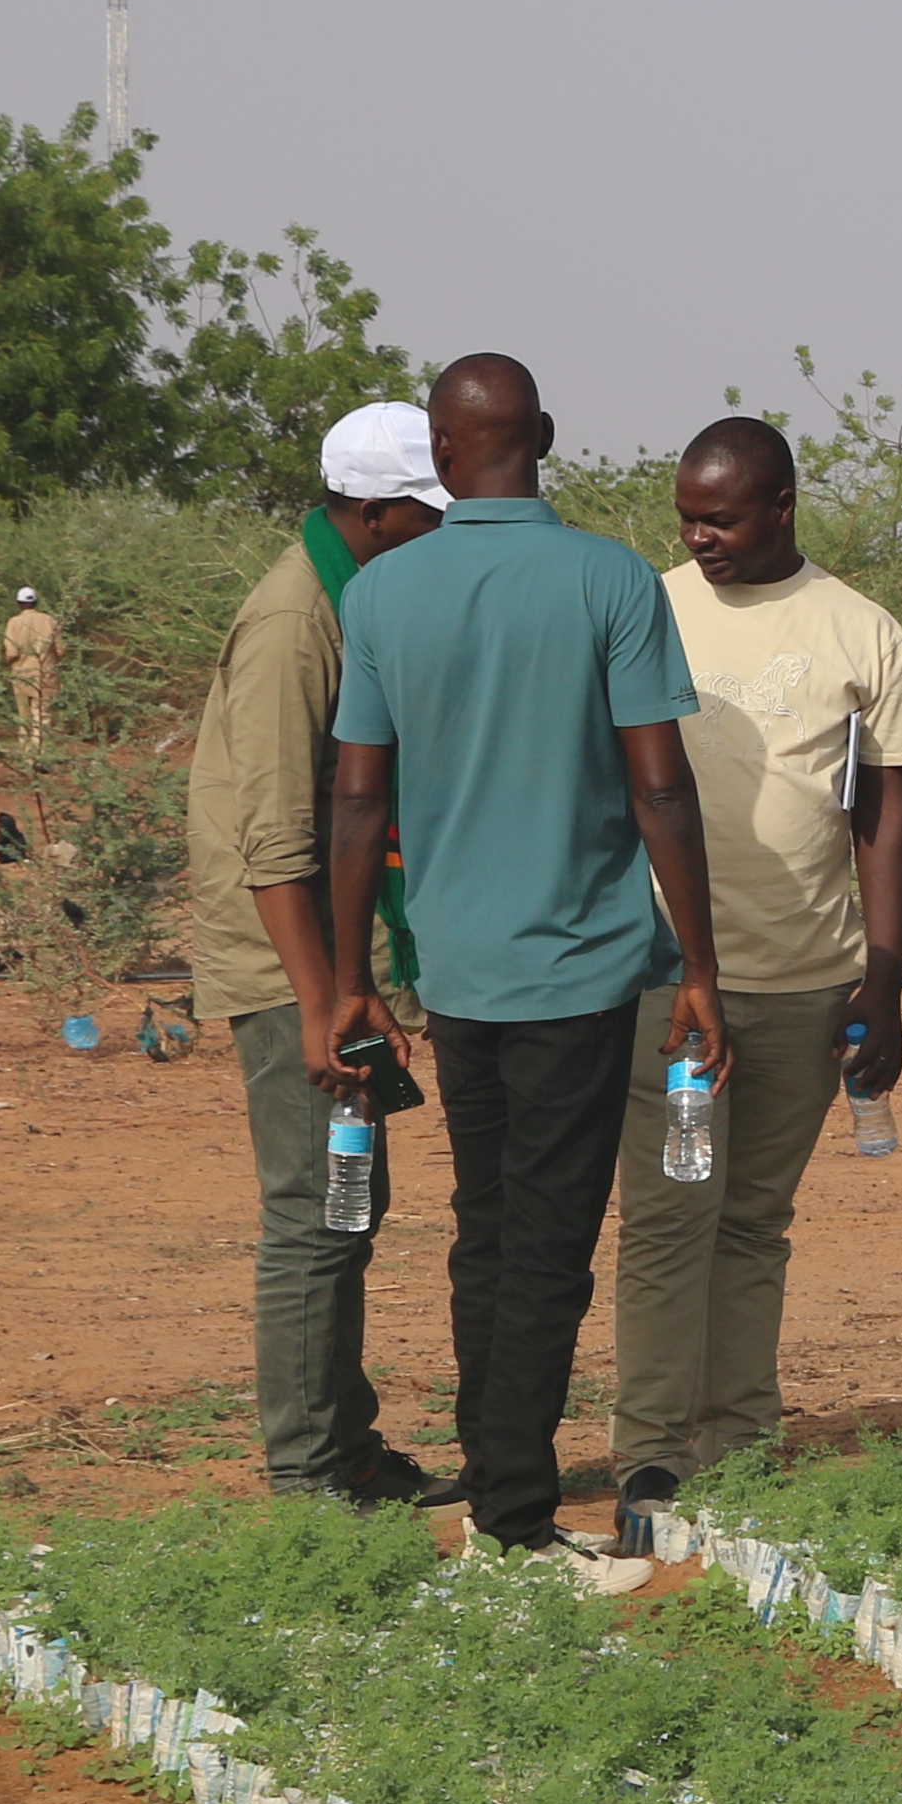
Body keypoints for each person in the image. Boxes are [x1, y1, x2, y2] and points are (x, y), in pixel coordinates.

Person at [315, 354, 726, 1577]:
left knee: (485, 1231)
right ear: (541, 435)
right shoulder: (608, 577)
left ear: (440, 454)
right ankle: (515, 1521)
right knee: (547, 1243)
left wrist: (351, 979)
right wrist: (700, 964)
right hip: (582, 972)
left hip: (456, 974)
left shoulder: (383, 596)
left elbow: (354, 805)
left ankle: (499, 1492)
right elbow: (659, 782)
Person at [610, 416, 902, 1520]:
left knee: (752, 1218)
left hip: (806, 978)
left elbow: (883, 811)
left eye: (721, 517)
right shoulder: (641, 608)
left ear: (782, 507)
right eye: (687, 517)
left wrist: (881, 976)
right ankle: (650, 1450)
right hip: (668, 978)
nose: (699, 537)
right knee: (668, 1211)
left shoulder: (860, 631)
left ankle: (736, 1441)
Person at [181, 400, 447, 1506]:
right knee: (318, 1210)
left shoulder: (347, 596)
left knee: (351, 1205)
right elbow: (279, 839)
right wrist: (329, 999)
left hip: (330, 965)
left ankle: (343, 1446)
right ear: (379, 514)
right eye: (431, 516)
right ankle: (310, 1474)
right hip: (294, 959)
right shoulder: (299, 622)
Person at [2, 589, 62, 752]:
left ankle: (27, 754)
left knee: (24, 717)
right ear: (36, 602)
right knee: (43, 716)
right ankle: (42, 752)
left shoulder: (14, 622)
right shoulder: (50, 620)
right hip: (46, 675)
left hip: (22, 675)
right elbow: (61, 649)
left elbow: (12, 652)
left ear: (19, 603)